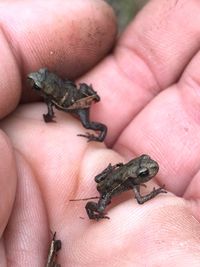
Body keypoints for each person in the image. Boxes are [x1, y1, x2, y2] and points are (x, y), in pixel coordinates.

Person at [1, 0, 200, 266]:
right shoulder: (131, 187)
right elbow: (140, 200)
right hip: (107, 185)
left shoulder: (132, 180)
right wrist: (153, 193)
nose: (149, 172)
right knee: (100, 201)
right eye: (144, 173)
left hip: (110, 172)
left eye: (145, 170)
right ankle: (94, 213)